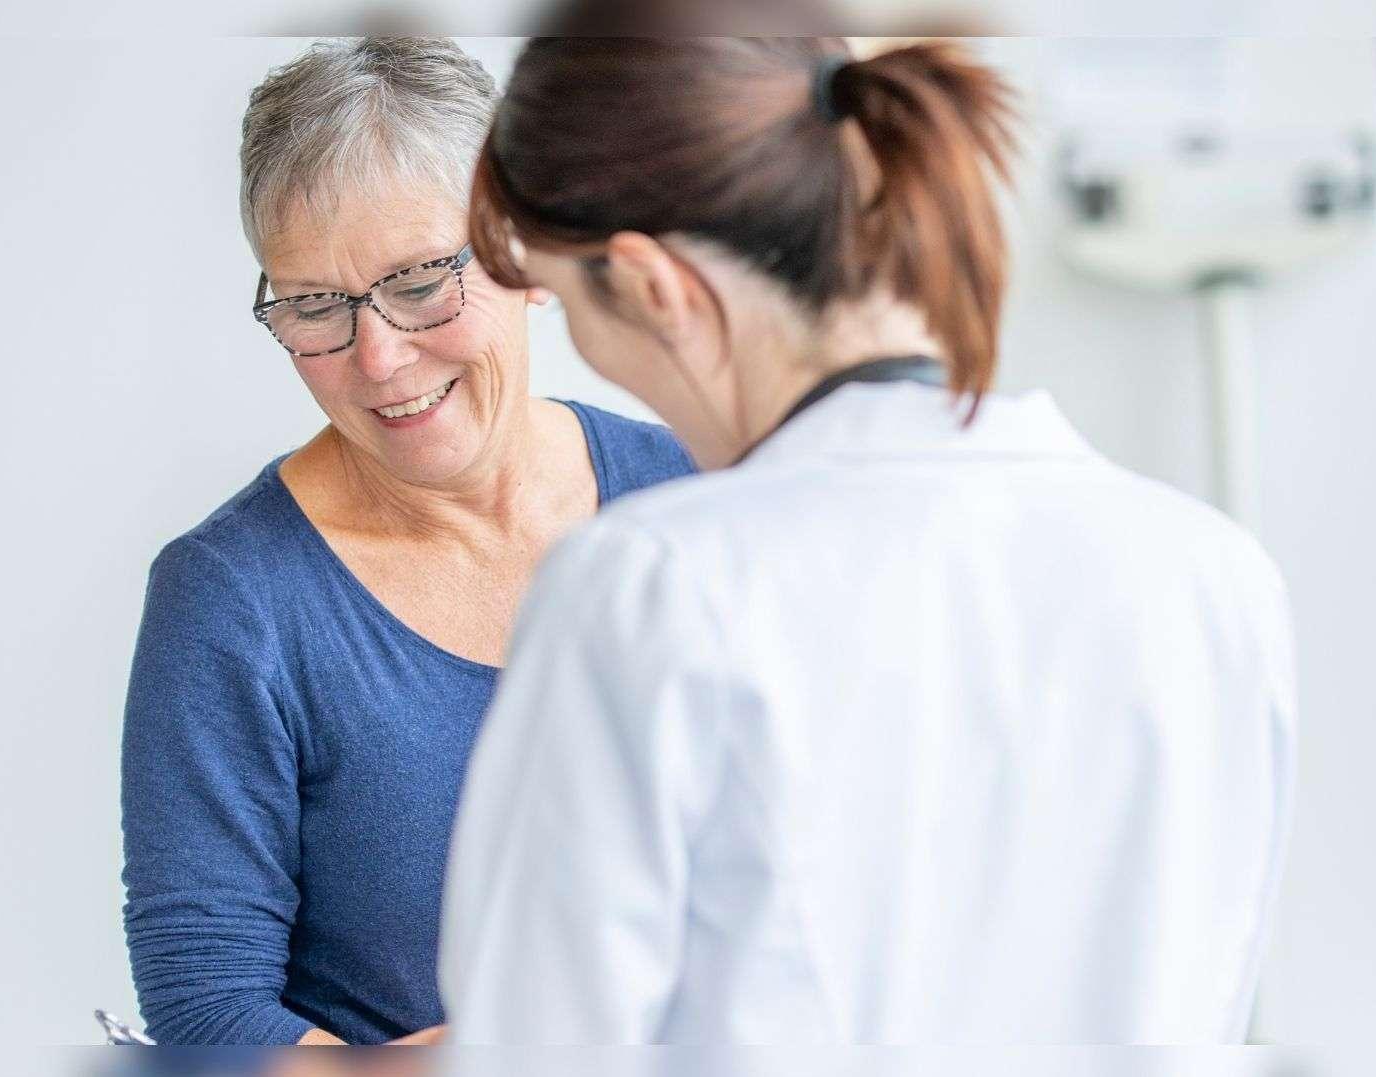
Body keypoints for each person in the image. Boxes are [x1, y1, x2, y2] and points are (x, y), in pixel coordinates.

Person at [438, 35, 1297, 1043]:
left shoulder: (650, 584)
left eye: (560, 300)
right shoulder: (1208, 574)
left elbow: (534, 1048)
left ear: (648, 285)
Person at [118, 38, 694, 1046]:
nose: (377, 359)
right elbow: (207, 1014)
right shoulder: (230, 599)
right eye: (313, 305)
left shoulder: (697, 497)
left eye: (420, 282)